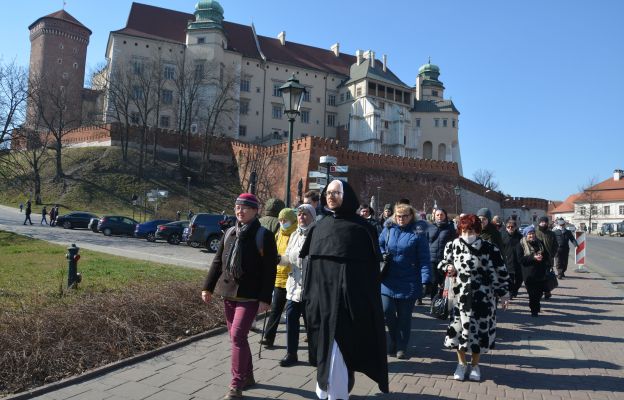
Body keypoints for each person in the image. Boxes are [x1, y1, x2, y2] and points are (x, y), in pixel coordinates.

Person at [300, 180, 389, 399]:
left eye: (336, 193)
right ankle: (326, 391)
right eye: (328, 193)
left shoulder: (363, 228)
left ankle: (337, 393)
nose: (331, 196)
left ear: (346, 196)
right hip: (321, 302)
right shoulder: (318, 227)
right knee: (325, 350)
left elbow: (369, 274)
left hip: (348, 303)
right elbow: (309, 267)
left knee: (340, 351)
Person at [202, 193, 278, 400]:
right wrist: (207, 287)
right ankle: (249, 376)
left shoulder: (264, 235)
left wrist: (265, 299)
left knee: (237, 337)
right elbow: (217, 262)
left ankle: (236, 385)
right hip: (228, 292)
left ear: (255, 211)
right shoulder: (229, 232)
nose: (240, 211)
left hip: (250, 295)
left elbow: (270, 270)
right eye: (237, 207)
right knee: (239, 338)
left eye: (245, 207)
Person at [438, 214, 510, 382]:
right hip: (460, 296)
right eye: (463, 230)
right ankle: (461, 364)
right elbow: (442, 262)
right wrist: (449, 267)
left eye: (470, 230)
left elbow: (501, 272)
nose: (467, 234)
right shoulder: (453, 245)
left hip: (483, 298)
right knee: (459, 332)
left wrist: (504, 294)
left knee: (480, 333)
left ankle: (475, 365)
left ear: (477, 230)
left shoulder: (489, 248)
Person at [379, 203, 431, 359]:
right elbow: (378, 244)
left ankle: (401, 346)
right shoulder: (388, 229)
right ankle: (394, 340)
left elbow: (424, 259)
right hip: (388, 279)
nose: (401, 219)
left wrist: (425, 280)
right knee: (387, 311)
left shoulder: (418, 234)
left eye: (405, 216)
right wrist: (382, 254)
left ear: (411, 216)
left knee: (404, 317)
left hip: (409, 281)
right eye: (398, 216)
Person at [278, 203, 316, 367]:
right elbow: (288, 258)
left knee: (311, 324)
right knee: (292, 320)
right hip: (294, 287)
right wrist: (278, 259)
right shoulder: (294, 235)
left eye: (305, 214)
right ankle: (291, 354)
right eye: (299, 214)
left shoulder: (317, 235)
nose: (301, 217)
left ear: (312, 217)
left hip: (312, 288)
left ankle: (315, 355)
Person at [261, 207, 297, 348]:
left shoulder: (296, 234)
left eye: (285, 220)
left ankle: (310, 336)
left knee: (295, 312)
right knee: (275, 308)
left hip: (293, 278)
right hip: (279, 277)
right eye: (281, 220)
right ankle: (268, 338)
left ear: (292, 220)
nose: (282, 222)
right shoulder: (278, 233)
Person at [518, 225, 551, 317]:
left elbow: (547, 255)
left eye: (533, 233)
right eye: (529, 234)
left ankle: (536, 305)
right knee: (532, 293)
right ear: (525, 235)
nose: (532, 235)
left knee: (539, 293)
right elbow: (520, 259)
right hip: (529, 274)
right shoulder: (521, 244)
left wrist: (543, 258)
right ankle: (534, 310)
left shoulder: (540, 243)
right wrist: (533, 257)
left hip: (540, 272)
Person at [428, 208, 457, 298]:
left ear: (445, 216)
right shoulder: (430, 227)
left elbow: (455, 243)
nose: (439, 216)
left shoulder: (451, 228)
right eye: (437, 215)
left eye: (441, 215)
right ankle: (434, 302)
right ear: (434, 216)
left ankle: (443, 303)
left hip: (444, 260)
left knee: (444, 283)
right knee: (434, 281)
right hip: (432, 259)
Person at [535, 216, 558, 298]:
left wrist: (552, 254)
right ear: (539, 223)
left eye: (545, 222)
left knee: (546, 276)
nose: (543, 223)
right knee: (537, 276)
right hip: (536, 258)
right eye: (542, 222)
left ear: (547, 223)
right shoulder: (535, 232)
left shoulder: (551, 233)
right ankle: (539, 292)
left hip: (547, 259)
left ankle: (547, 292)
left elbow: (556, 245)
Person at [500, 218, 523, 298]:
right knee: (509, 279)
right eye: (508, 227)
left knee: (519, 279)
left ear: (515, 227)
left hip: (518, 261)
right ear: (506, 227)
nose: (510, 228)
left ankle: (515, 289)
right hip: (507, 260)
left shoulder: (520, 236)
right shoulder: (503, 235)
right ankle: (511, 291)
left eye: (512, 227)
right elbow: (500, 247)